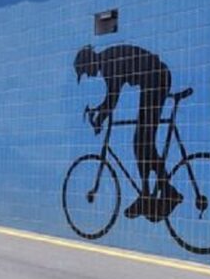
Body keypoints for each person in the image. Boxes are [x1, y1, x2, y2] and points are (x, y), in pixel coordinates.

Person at [74, 44, 183, 222]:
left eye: (85, 71)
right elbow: (111, 98)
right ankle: (155, 193)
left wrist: (99, 119)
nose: (88, 75)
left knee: (142, 142)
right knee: (143, 143)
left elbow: (112, 98)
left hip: (156, 79)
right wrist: (100, 112)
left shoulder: (109, 63)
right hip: (153, 80)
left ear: (89, 62)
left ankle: (156, 194)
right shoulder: (108, 61)